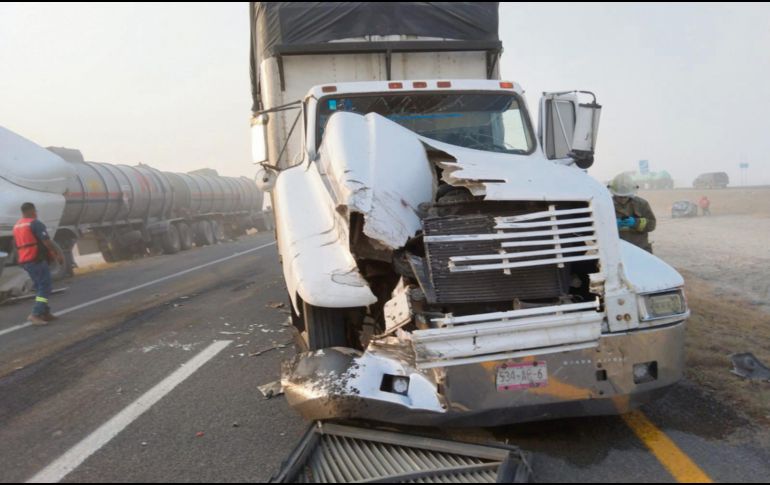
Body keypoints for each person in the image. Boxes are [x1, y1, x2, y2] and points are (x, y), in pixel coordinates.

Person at [12, 202, 63, 324]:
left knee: (40, 286)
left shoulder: (17, 226)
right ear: (32, 211)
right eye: (35, 211)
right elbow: (46, 241)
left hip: (26, 260)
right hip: (36, 259)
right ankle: (36, 313)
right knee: (45, 287)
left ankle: (45, 312)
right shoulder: (35, 223)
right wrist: (57, 254)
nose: (36, 213)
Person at [608, 173, 657, 253]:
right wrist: (612, 225)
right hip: (615, 251)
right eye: (619, 196)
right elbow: (596, 228)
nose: (622, 199)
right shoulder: (606, 205)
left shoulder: (642, 204)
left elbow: (652, 225)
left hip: (640, 250)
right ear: (614, 193)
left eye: (625, 196)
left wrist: (636, 223)